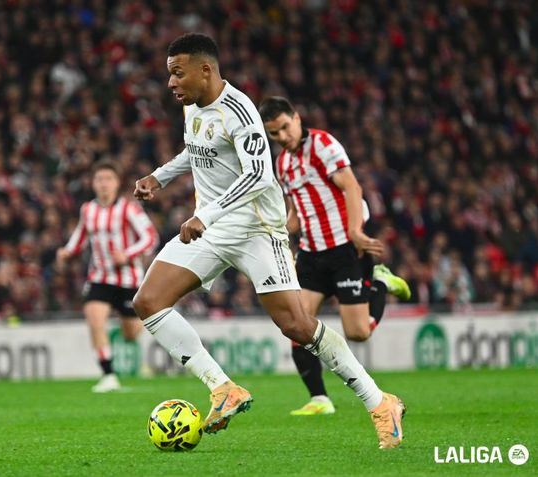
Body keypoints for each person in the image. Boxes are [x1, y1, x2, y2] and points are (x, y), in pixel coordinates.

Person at [132, 33, 406, 448]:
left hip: (257, 229)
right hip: (214, 228)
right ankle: (223, 389)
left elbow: (259, 176)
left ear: (205, 70)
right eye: (169, 74)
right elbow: (197, 149)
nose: (170, 82)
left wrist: (205, 214)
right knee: (148, 302)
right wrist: (160, 176)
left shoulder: (240, 110)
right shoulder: (191, 106)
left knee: (297, 325)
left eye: (177, 73)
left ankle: (380, 402)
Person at [259, 96, 412, 416]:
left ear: (297, 118)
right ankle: (320, 399)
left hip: (344, 249)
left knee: (358, 332)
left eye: (285, 127)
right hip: (311, 254)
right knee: (296, 324)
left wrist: (355, 231)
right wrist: (277, 233)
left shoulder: (323, 145)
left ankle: (380, 283)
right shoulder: (282, 164)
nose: (282, 137)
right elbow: (297, 212)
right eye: (274, 133)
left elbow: (352, 188)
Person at [57, 160, 159, 392]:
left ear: (117, 183)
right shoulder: (88, 210)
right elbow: (81, 236)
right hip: (99, 277)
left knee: (131, 334)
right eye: (99, 179)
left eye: (108, 179)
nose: (103, 183)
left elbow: (151, 237)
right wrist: (67, 251)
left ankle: (135, 350)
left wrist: (127, 254)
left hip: (128, 279)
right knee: (94, 320)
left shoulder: (129, 208)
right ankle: (108, 375)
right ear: (93, 183)